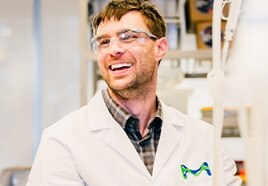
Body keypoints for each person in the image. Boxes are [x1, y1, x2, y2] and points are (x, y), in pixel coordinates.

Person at [26, 0, 241, 185]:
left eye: (127, 37)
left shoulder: (204, 138)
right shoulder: (62, 141)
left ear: (160, 48)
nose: (114, 49)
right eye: (103, 42)